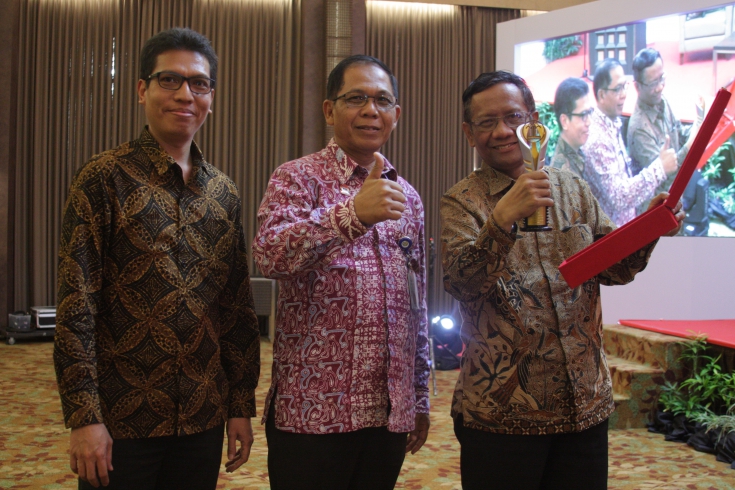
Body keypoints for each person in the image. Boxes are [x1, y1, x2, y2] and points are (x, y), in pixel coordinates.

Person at [440, 70, 684, 490]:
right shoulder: (461, 202)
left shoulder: (573, 189)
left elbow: (614, 268)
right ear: (469, 133)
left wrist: (649, 227)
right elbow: (462, 283)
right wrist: (502, 219)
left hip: (583, 407)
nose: (503, 131)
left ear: (534, 122)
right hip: (503, 414)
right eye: (487, 122)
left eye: (513, 117)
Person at [54, 28, 260, 490]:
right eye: (170, 80)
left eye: (199, 83)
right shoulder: (103, 178)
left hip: (202, 415)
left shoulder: (223, 193)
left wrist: (239, 406)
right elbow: (76, 306)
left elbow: (235, 309)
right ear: (142, 89)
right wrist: (84, 417)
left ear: (211, 97)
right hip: (122, 417)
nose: (185, 94)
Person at [253, 54, 430, 490]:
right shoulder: (297, 178)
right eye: (356, 99)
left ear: (396, 114)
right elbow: (269, 256)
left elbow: (417, 302)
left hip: (387, 413)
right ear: (329, 110)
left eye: (382, 100)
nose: (371, 110)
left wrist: (420, 395)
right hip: (312, 412)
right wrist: (352, 214)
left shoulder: (407, 196)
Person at [584, 58, 678, 226]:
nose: (624, 94)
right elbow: (619, 197)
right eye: (617, 89)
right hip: (611, 236)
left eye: (624, 86)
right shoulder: (597, 139)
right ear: (601, 95)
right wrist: (660, 168)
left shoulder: (611, 122)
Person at [628, 47, 703, 213]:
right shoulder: (639, 128)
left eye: (662, 78)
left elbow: (679, 134)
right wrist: (690, 145)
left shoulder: (662, 102)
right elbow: (665, 174)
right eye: (653, 83)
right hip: (655, 212)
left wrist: (700, 121)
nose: (660, 87)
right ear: (638, 87)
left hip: (675, 201)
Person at [550, 77, 594, 179]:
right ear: (565, 121)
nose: (589, 122)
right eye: (583, 115)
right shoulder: (564, 174)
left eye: (590, 112)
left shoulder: (576, 153)